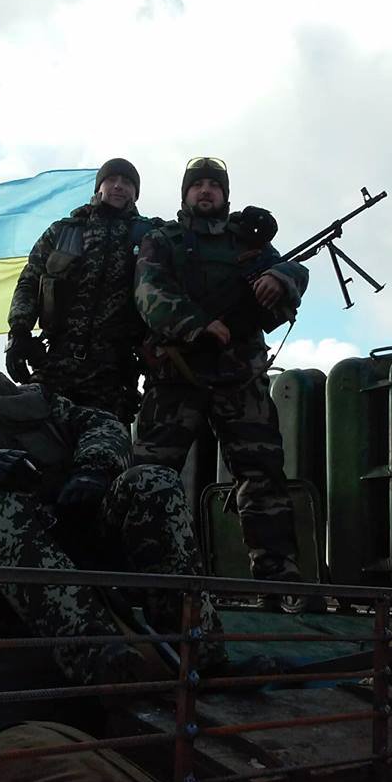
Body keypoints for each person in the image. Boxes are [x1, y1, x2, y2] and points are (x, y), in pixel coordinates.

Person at [0, 308, 226, 682]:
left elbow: (100, 422)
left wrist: (92, 470)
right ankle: (101, 657)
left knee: (153, 481)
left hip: (76, 525)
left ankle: (204, 654)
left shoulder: (20, 396)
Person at [133, 157, 309, 602]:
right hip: (176, 376)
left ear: (225, 195)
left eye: (214, 185)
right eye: (198, 185)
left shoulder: (245, 242)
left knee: (263, 476)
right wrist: (198, 324)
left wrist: (280, 278)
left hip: (239, 378)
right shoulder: (163, 239)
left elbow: (295, 269)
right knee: (149, 476)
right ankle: (141, 578)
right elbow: (149, 293)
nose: (206, 191)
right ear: (185, 194)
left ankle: (277, 579)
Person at [6, 159, 162, 425]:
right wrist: (18, 333)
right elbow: (30, 281)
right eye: (111, 180)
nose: (118, 186)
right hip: (56, 360)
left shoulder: (151, 236)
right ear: (99, 187)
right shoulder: (63, 231)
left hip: (115, 372)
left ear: (136, 194)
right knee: (34, 433)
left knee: (104, 442)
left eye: (127, 182)